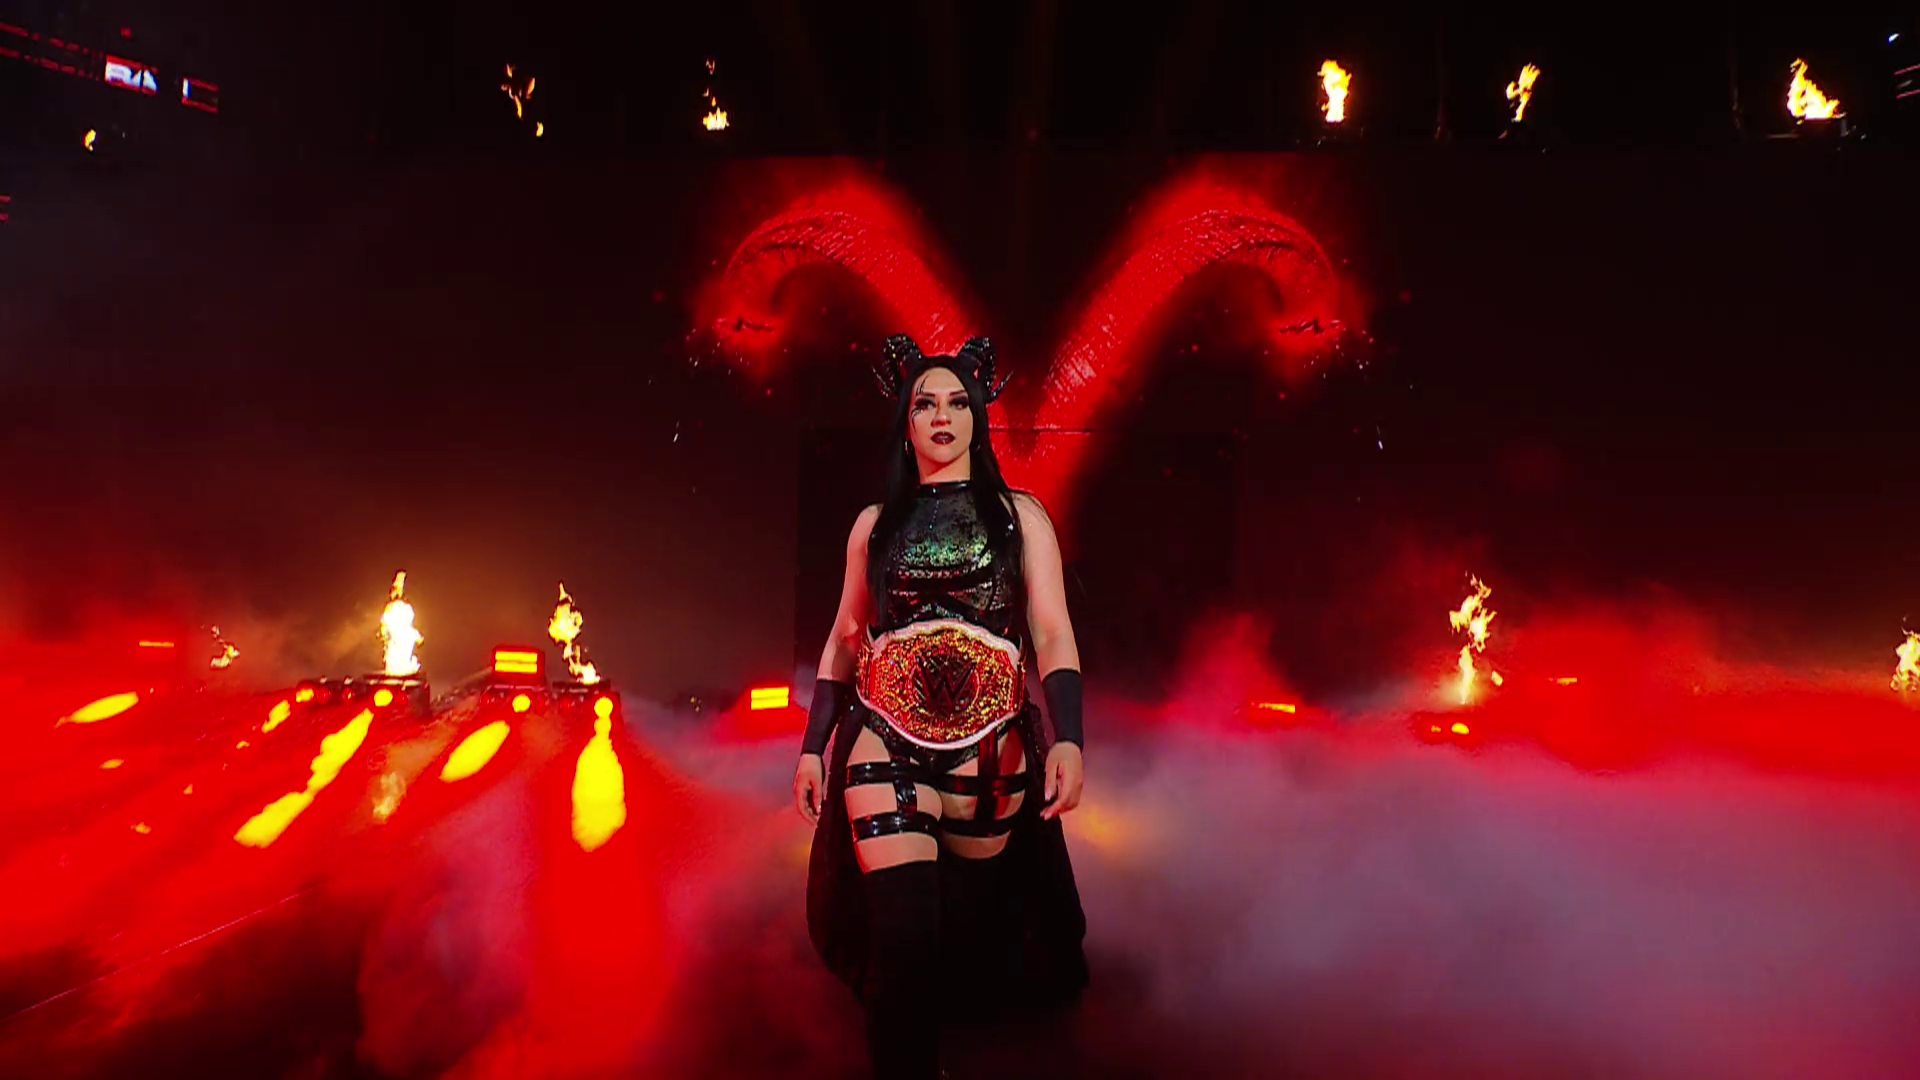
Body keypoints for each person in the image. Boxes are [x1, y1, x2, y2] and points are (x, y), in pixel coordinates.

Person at [793, 335, 1089, 1078]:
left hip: (993, 752)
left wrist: (1070, 738)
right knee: (901, 946)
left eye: (958, 402)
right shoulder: (874, 525)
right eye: (925, 403)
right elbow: (843, 639)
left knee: (969, 942)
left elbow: (1052, 632)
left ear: (978, 417)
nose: (942, 416)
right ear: (906, 422)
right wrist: (811, 748)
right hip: (883, 742)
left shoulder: (1022, 517)